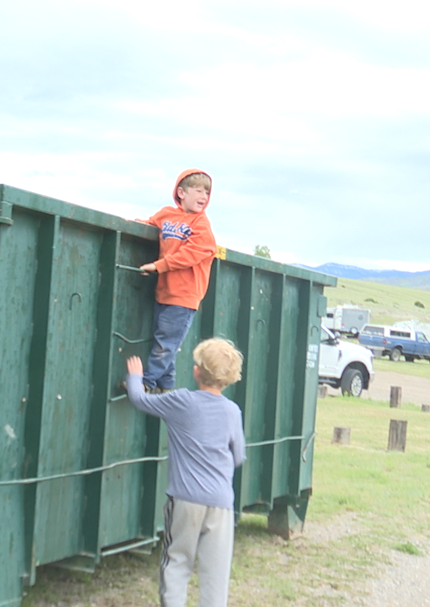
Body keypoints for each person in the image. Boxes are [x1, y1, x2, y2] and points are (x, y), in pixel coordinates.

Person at [125, 338, 246, 607]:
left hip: (185, 501)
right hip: (221, 505)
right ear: (228, 379)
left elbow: (139, 399)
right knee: (215, 574)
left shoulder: (181, 401)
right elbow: (238, 456)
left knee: (177, 563)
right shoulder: (232, 412)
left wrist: (135, 375)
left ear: (196, 371)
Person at [138, 168, 217, 392]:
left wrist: (157, 266)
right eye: (198, 190)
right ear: (181, 193)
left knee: (166, 343)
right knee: (163, 341)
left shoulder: (202, 225)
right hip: (164, 291)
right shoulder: (166, 215)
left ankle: (146, 382)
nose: (204, 197)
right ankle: (166, 387)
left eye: (207, 193)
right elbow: (150, 224)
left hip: (185, 295)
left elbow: (190, 254)